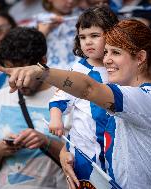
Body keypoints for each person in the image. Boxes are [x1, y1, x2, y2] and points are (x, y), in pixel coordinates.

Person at [0, 19, 151, 189]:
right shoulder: (134, 97)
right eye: (106, 52)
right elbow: (90, 129)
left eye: (116, 53)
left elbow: (88, 88)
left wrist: (42, 72)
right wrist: (65, 152)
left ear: (141, 57)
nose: (106, 60)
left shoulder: (148, 98)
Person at [0, 27, 67, 189]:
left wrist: (46, 142)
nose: (15, 82)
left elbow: (83, 161)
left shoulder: (66, 98)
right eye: (10, 74)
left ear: (42, 62)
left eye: (22, 74)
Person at [48, 5, 118, 185]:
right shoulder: (78, 70)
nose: (87, 42)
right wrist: (56, 120)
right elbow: (59, 100)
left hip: (116, 151)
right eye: (82, 37)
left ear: (111, 35)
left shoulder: (120, 66)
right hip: (84, 149)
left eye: (94, 36)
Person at [36, 0, 79, 69]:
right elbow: (32, 49)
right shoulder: (40, 20)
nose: (71, 1)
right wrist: (42, 33)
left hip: (80, 69)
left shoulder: (81, 16)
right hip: (53, 70)